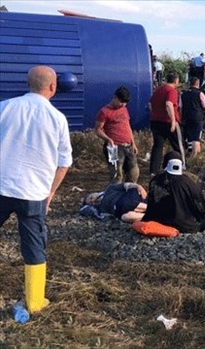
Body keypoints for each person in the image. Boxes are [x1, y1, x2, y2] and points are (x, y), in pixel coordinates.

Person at [0, 66, 73, 314]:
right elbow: (64, 162)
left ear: (27, 83)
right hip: (33, 194)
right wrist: (50, 193)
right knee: (33, 246)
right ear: (53, 87)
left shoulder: (5, 107)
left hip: (1, 187)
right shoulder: (57, 119)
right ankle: (34, 301)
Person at [143, 155, 205, 234]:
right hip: (182, 223)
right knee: (204, 219)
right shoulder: (186, 182)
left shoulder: (155, 180)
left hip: (155, 219)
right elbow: (200, 206)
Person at [95, 86, 139, 183]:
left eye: (125, 103)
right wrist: (108, 139)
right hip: (114, 146)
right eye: (121, 102)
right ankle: (115, 194)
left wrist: (133, 143)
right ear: (115, 97)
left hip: (127, 145)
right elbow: (98, 129)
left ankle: (129, 192)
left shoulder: (124, 110)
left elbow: (127, 126)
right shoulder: (104, 112)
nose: (123, 105)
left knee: (134, 172)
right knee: (117, 174)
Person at [148, 72, 182, 176]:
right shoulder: (172, 90)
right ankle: (181, 165)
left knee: (158, 146)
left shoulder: (158, 89)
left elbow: (150, 103)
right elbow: (169, 104)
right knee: (178, 145)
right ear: (176, 81)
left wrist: (156, 113)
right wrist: (172, 121)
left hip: (155, 121)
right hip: (167, 121)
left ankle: (154, 170)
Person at [82, 182, 147, 222]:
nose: (93, 200)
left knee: (125, 203)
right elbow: (84, 210)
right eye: (91, 203)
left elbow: (127, 185)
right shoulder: (101, 209)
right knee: (125, 217)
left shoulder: (110, 189)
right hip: (120, 209)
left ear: (94, 193)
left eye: (91, 198)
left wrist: (138, 187)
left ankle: (152, 208)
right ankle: (152, 215)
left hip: (128, 196)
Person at [180, 77, 205, 158]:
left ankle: (189, 154)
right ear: (198, 84)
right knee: (196, 138)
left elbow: (180, 107)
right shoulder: (200, 93)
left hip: (186, 118)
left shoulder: (183, 94)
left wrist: (181, 117)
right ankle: (194, 158)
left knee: (190, 138)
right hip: (197, 118)